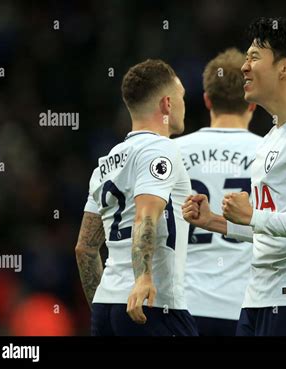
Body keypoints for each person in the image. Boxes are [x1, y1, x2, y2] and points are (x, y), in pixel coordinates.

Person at [182, 17, 286, 336]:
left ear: (285, 67)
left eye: (254, 56)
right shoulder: (271, 137)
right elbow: (269, 229)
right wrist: (216, 221)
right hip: (258, 299)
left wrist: (253, 215)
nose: (244, 66)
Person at [75, 59, 197, 336]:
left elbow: (85, 248)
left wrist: (105, 306)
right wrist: (143, 277)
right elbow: (145, 215)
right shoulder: (160, 149)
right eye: (181, 98)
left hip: (108, 306)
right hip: (154, 305)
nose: (184, 105)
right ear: (167, 103)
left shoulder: (105, 164)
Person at [175, 48, 261, 335]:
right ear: (251, 103)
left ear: (207, 99)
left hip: (184, 305)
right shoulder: (271, 154)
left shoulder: (172, 153)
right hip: (247, 306)